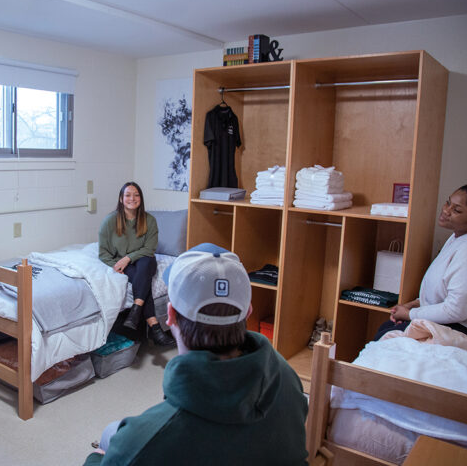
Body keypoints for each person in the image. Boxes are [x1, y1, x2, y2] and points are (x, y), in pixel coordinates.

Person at [84, 243, 308, 465]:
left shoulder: (138, 442)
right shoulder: (289, 379)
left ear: (170, 314)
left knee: (110, 434)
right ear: (248, 311)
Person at [376, 166, 467, 341]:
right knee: (387, 328)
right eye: (448, 202)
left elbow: (457, 309)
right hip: (465, 320)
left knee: (390, 335)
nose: (446, 210)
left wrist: (411, 314)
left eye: (457, 210)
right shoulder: (459, 237)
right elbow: (445, 291)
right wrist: (415, 305)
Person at [99, 182, 173, 346]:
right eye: (128, 195)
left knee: (146, 263)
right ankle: (155, 328)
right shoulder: (110, 221)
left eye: (136, 195)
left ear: (141, 198)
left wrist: (128, 258)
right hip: (125, 265)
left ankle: (136, 309)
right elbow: (103, 253)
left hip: (144, 260)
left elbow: (149, 249)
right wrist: (117, 264)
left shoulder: (149, 220)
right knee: (143, 279)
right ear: (121, 198)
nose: (132, 198)